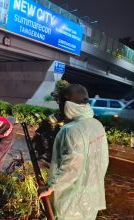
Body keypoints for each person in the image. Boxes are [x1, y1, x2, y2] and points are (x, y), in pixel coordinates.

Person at [39, 84, 109, 220]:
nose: (58, 106)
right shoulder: (96, 125)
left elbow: (72, 165)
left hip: (71, 199)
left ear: (67, 104)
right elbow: (102, 160)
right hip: (91, 195)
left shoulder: (72, 130)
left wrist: (52, 186)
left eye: (60, 102)